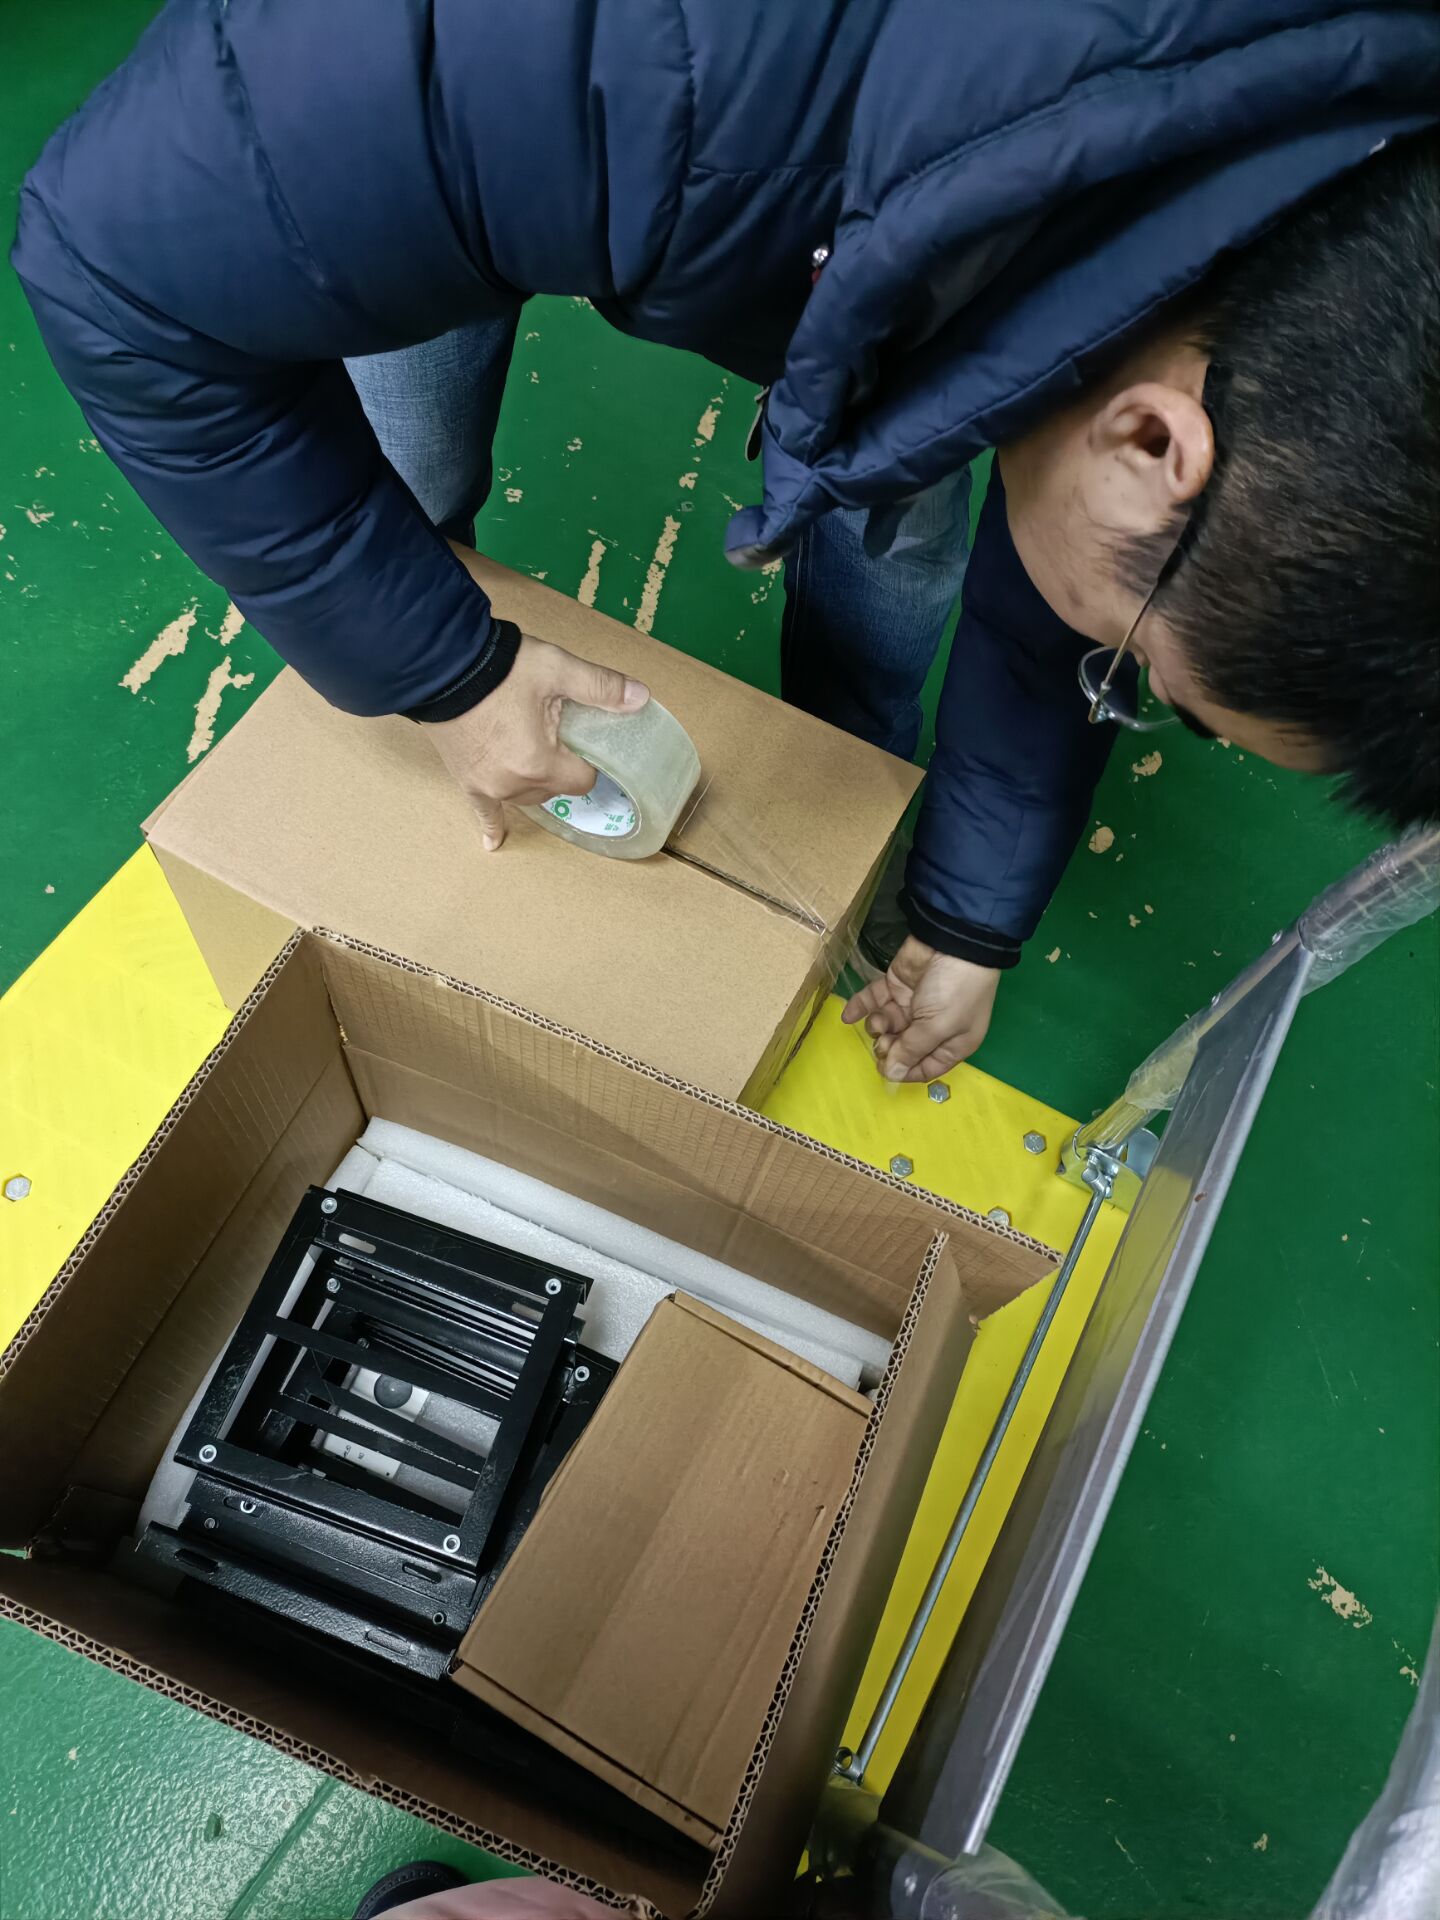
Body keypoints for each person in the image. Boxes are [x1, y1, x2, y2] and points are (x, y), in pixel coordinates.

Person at [13, 2, 1440, 1084]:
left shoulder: (1307, 169)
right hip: (531, 110)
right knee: (394, 452)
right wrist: (438, 663)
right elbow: (111, 276)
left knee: (920, 518)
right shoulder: (600, 65)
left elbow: (1076, 552)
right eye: (1141, 683)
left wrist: (969, 917)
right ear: (1151, 447)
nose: (1110, 679)